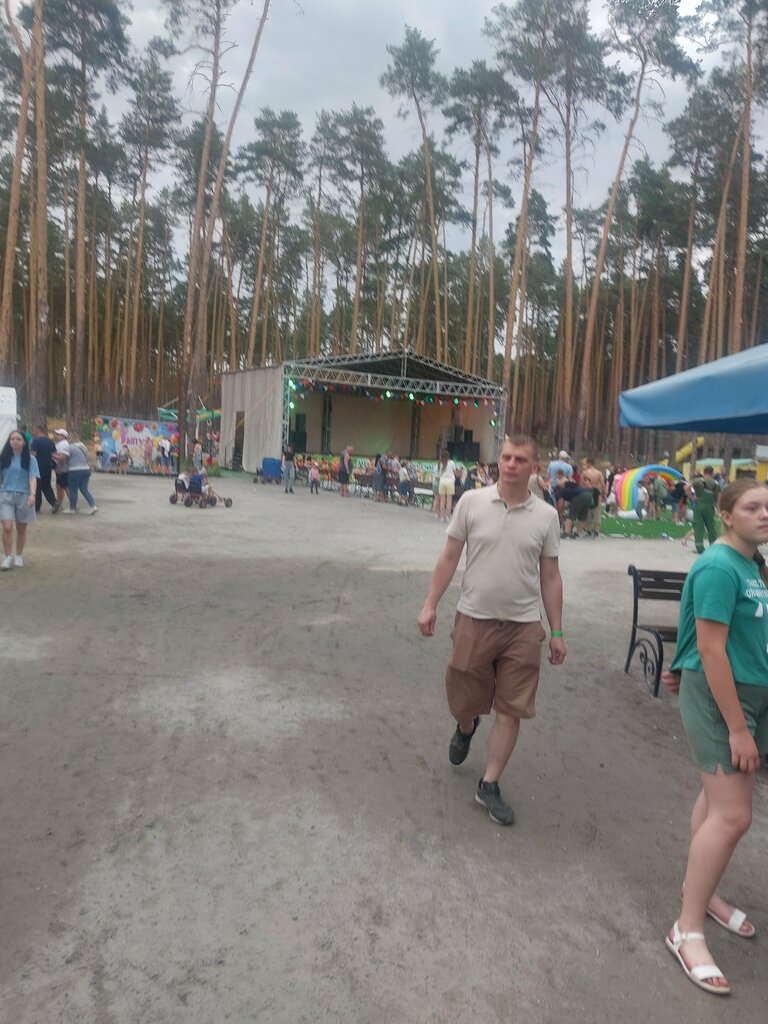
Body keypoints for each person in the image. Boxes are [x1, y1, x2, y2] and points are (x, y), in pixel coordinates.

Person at [416, 435, 565, 826]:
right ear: (498, 461)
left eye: (520, 459)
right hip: (474, 617)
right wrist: (431, 603)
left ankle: (489, 783)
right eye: (506, 457)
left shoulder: (546, 516)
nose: (511, 464)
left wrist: (558, 630)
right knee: (463, 694)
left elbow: (550, 577)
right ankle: (466, 725)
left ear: (535, 468)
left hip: (523, 626)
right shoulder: (471, 502)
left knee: (511, 707)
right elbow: (449, 556)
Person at [661, 480, 768, 997]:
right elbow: (710, 647)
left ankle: (700, 895)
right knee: (734, 815)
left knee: (715, 800)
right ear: (725, 514)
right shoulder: (720, 566)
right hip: (723, 700)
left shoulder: (752, 565)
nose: (765, 514)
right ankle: (687, 928)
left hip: (748, 694)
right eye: (753, 507)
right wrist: (738, 727)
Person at [0, 430, 39, 570]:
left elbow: (32, 477)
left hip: (24, 495)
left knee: (21, 529)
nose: (15, 441)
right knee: (7, 527)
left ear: (24, 442)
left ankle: (19, 556)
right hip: (6, 495)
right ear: (9, 441)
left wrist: (32, 494)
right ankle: (7, 557)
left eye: (18, 439)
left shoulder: (30, 459)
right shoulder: (3, 457)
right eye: (12, 439)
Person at [59, 435, 98, 514]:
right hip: (86, 469)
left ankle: (72, 508)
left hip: (74, 470)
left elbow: (62, 457)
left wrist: (53, 455)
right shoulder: (84, 447)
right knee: (84, 489)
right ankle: (93, 506)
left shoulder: (70, 447)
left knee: (73, 490)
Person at [688, 465, 719, 554]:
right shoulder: (716, 483)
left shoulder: (698, 480)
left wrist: (692, 497)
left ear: (704, 472)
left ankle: (700, 548)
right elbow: (718, 497)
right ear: (712, 473)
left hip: (699, 506)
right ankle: (714, 547)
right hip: (710, 507)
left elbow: (686, 487)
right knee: (711, 527)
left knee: (699, 527)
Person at [30, 425, 59, 513]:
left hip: (38, 466)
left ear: (37, 430)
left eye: (33, 430)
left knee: (37, 486)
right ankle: (54, 502)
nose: (33, 432)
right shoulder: (50, 441)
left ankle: (37, 507)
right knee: (46, 485)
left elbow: (33, 454)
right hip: (48, 465)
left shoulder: (35, 441)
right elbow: (54, 454)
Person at [553, 471, 591, 538]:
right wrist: (566, 507)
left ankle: (566, 532)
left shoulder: (561, 491)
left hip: (580, 497)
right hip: (588, 495)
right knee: (582, 516)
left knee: (571, 515)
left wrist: (559, 512)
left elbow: (560, 504)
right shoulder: (571, 488)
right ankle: (578, 533)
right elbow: (572, 504)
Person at [582, 458, 606, 536]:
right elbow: (602, 484)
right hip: (597, 493)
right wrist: (604, 494)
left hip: (587, 493)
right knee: (597, 514)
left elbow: (581, 484)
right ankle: (596, 530)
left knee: (588, 513)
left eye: (586, 463)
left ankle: (588, 529)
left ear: (589, 463)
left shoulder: (585, 472)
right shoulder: (599, 473)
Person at [437, 449, 456, 522]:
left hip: (442, 482)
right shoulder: (451, 463)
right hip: (450, 482)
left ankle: (441, 516)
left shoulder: (440, 463)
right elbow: (454, 472)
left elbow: (439, 473)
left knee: (442, 500)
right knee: (449, 501)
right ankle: (448, 517)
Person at [53, 428, 70, 504]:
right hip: (62, 469)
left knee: (64, 487)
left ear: (63, 436)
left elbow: (62, 458)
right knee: (60, 487)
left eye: (58, 434)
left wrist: (58, 468)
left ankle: (72, 503)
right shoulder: (60, 444)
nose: (56, 436)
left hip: (62, 469)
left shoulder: (63, 444)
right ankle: (59, 503)